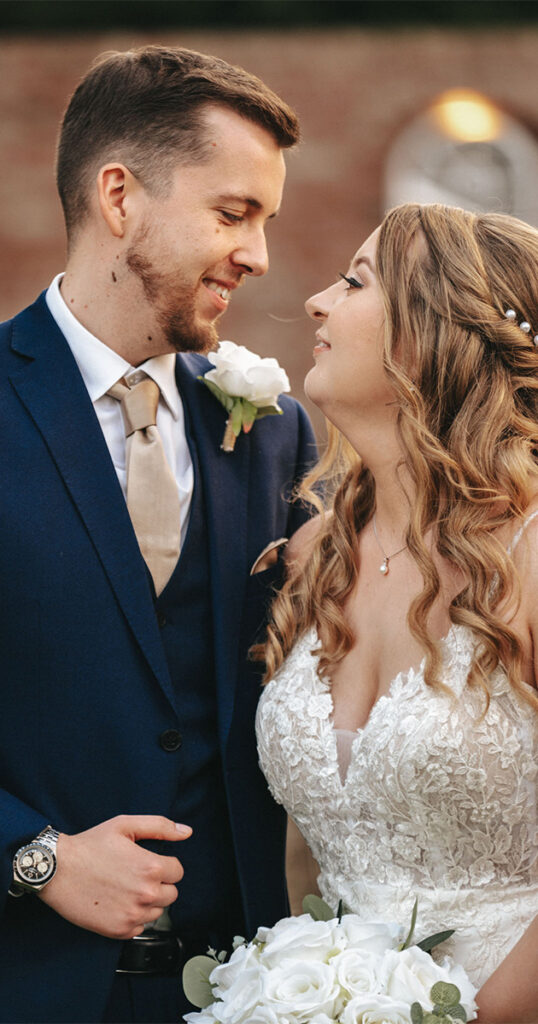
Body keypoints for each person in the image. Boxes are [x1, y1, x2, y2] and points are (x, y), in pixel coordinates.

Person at [0, 46, 316, 1023]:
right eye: (233, 214)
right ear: (118, 196)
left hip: (243, 986)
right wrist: (31, 853)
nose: (257, 256)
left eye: (264, 221)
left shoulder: (272, 431)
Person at [256, 202, 538, 1024]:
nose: (316, 301)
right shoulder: (317, 554)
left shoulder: (528, 553)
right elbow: (310, 853)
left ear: (433, 334)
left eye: (356, 280)